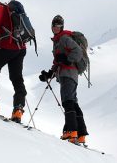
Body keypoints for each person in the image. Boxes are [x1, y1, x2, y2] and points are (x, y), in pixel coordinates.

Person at [39, 15, 88, 144]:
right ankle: (81, 134)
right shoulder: (57, 40)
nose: (56, 28)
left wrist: (66, 59)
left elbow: (77, 52)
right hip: (67, 74)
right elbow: (58, 61)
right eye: (54, 26)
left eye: (58, 26)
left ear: (62, 27)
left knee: (67, 102)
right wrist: (49, 74)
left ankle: (71, 131)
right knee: (73, 102)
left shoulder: (65, 38)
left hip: (69, 74)